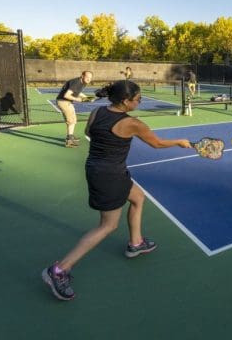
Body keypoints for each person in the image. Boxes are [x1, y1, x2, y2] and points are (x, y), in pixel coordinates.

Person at [42, 80, 191, 301]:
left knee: (138, 198)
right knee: (107, 225)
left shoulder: (98, 112)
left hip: (98, 168)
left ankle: (136, 243)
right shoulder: (133, 123)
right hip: (110, 175)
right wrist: (180, 142)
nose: (140, 102)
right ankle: (59, 270)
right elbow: (157, 144)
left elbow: (88, 132)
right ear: (125, 101)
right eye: (137, 99)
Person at [56, 71, 94, 147]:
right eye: (87, 77)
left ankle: (71, 136)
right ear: (82, 76)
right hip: (63, 102)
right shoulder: (76, 82)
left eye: (90, 78)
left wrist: (86, 98)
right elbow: (67, 95)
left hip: (67, 102)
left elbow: (78, 92)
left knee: (73, 120)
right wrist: (79, 100)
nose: (88, 79)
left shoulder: (82, 83)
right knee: (71, 121)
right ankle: (69, 141)